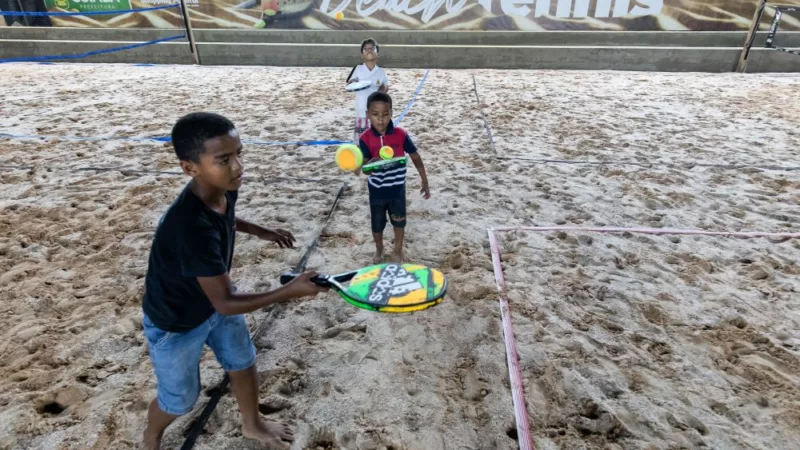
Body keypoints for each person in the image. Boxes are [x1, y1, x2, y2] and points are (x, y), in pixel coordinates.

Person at [140, 112, 327, 450]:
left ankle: (252, 422)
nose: (238, 166)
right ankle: (151, 434)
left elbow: (227, 216)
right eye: (224, 159)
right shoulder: (189, 227)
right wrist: (288, 291)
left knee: (242, 358)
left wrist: (262, 230)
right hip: (176, 321)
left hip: (213, 300)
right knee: (180, 399)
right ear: (190, 167)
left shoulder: (222, 186)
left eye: (240, 153)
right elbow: (225, 303)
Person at [357, 92, 430, 264]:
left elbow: (415, 157)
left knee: (399, 221)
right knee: (377, 224)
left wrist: (424, 180)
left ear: (391, 113)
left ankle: (397, 250)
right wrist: (373, 163)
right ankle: (379, 248)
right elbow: (365, 169)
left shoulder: (400, 135)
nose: (380, 120)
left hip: (397, 189)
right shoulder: (365, 139)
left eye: (385, 114)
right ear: (367, 114)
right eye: (375, 115)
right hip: (376, 191)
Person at [346, 38, 389, 143]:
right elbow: (349, 84)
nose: (369, 50)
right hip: (361, 111)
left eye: (372, 48)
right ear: (362, 55)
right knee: (361, 142)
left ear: (377, 54)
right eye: (365, 49)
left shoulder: (381, 71)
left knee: (377, 141)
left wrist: (381, 91)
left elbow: (385, 87)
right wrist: (353, 83)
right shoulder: (358, 69)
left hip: (376, 112)